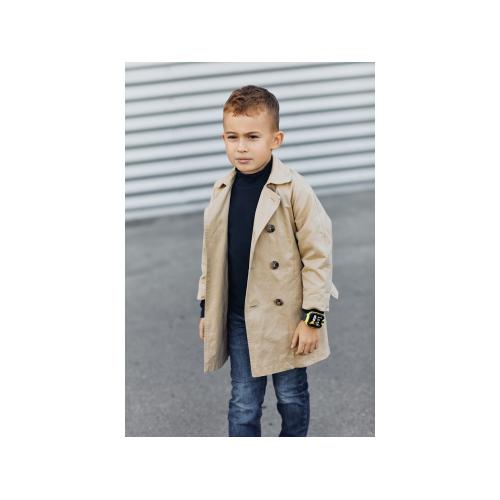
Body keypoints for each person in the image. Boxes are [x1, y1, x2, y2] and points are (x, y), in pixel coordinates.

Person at [196, 85, 339, 437]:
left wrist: (313, 318)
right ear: (223, 138)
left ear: (276, 139)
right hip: (239, 317)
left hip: (287, 317)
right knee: (244, 402)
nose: (241, 147)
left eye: (252, 137)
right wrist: (206, 308)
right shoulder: (221, 190)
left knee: (291, 396)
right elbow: (211, 257)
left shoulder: (294, 189)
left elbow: (317, 256)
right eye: (233, 137)